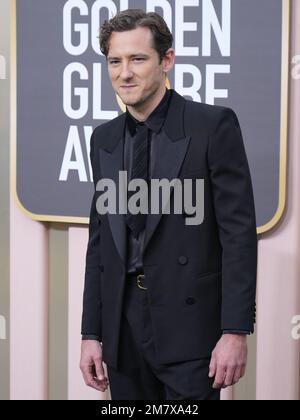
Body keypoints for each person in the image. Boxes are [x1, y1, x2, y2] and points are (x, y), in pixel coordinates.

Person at [80, 9, 257, 401]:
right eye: (115, 61)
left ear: (167, 60)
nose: (124, 73)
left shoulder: (212, 126)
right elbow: (100, 246)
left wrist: (234, 330)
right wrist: (92, 333)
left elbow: (238, 236)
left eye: (138, 59)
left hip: (191, 330)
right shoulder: (103, 140)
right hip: (122, 332)